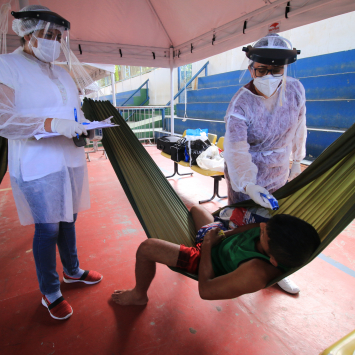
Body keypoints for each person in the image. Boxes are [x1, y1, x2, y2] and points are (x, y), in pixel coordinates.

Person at [0, 5, 102, 320]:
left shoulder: (61, 71)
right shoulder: (7, 65)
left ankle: (72, 269)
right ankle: (50, 290)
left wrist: (84, 123)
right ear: (26, 33)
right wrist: (51, 125)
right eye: (48, 34)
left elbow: (72, 108)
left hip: (68, 159)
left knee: (68, 218)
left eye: (58, 36)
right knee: (47, 227)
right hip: (36, 163)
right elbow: (4, 119)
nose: (54, 41)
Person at [223, 33, 307, 294]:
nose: (269, 76)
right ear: (251, 68)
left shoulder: (295, 90)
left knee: (277, 226)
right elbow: (236, 151)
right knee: (244, 222)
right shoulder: (241, 103)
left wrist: (297, 160)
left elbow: (299, 126)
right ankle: (239, 262)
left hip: (279, 171)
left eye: (277, 69)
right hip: (247, 175)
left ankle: (278, 270)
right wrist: (248, 185)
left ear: (285, 68)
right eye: (262, 70)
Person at [111, 205, 320, 305]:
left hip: (204, 260)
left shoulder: (256, 272)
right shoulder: (272, 233)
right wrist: (221, 233)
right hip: (216, 241)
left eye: (264, 233)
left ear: (273, 260)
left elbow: (206, 290)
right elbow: (251, 228)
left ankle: (139, 295)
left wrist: (208, 246)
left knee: (147, 248)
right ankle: (205, 233)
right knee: (196, 209)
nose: (262, 227)